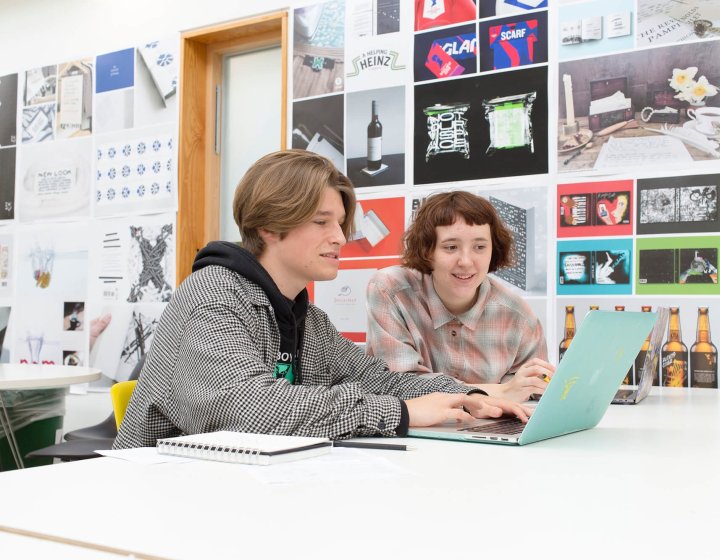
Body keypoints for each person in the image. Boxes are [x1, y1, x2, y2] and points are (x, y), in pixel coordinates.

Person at [114, 151, 530, 449]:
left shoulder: (307, 318)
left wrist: (470, 397)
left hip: (242, 489)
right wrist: (400, 413)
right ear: (270, 227)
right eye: (321, 222)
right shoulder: (214, 294)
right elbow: (248, 409)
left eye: (340, 222)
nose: (341, 237)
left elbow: (380, 379)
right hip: (162, 497)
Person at [366, 191, 554, 402]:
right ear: (428, 251)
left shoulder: (518, 315)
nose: (466, 261)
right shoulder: (391, 290)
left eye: (480, 247)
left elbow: (534, 393)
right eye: (451, 247)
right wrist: (500, 391)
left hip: (491, 429)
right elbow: (397, 385)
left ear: (494, 250)